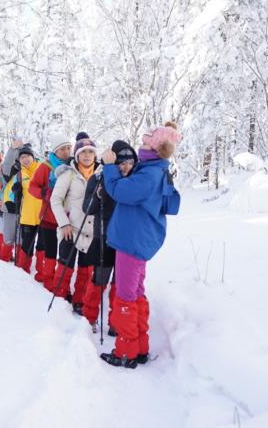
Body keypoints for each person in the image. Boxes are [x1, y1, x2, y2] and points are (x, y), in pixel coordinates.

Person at [99, 123, 181, 368]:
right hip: (137, 240)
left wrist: (109, 166)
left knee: (125, 296)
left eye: (145, 144)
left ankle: (126, 351)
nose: (140, 147)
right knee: (134, 293)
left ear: (157, 149)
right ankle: (138, 346)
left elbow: (119, 191)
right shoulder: (155, 170)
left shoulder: (150, 174)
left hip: (132, 241)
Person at [82, 140, 137, 331]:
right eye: (122, 163)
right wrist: (97, 196)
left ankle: (116, 321)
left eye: (130, 163)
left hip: (125, 241)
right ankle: (89, 317)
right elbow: (87, 209)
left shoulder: (134, 182)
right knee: (99, 279)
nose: (126, 167)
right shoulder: (98, 179)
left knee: (120, 282)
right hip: (103, 236)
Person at [50, 132, 99, 309]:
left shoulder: (101, 175)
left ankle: (80, 300)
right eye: (83, 152)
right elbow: (55, 200)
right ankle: (60, 298)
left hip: (91, 232)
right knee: (65, 266)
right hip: (70, 229)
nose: (87, 156)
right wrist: (64, 223)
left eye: (90, 152)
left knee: (86, 270)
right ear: (77, 155)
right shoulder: (68, 174)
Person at [28, 133, 72, 289]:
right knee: (50, 250)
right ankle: (47, 280)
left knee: (65, 252)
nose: (66, 152)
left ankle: (60, 281)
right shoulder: (45, 167)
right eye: (62, 149)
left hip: (68, 218)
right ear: (55, 151)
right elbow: (32, 187)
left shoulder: (73, 165)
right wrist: (44, 193)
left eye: (68, 148)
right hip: (48, 216)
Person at [14, 144, 42, 272]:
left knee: (43, 245)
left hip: (43, 215)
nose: (25, 159)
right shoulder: (19, 174)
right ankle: (23, 269)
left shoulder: (42, 169)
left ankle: (41, 272)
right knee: (27, 244)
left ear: (33, 157)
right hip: (27, 215)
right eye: (22, 157)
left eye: (27, 156)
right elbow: (12, 195)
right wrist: (16, 192)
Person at [0, 138, 24, 262]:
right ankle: (4, 259)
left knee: (21, 238)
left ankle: (20, 263)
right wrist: (12, 149)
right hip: (10, 207)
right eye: (21, 157)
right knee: (8, 236)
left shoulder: (31, 170)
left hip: (25, 209)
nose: (23, 159)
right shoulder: (10, 169)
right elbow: (7, 163)